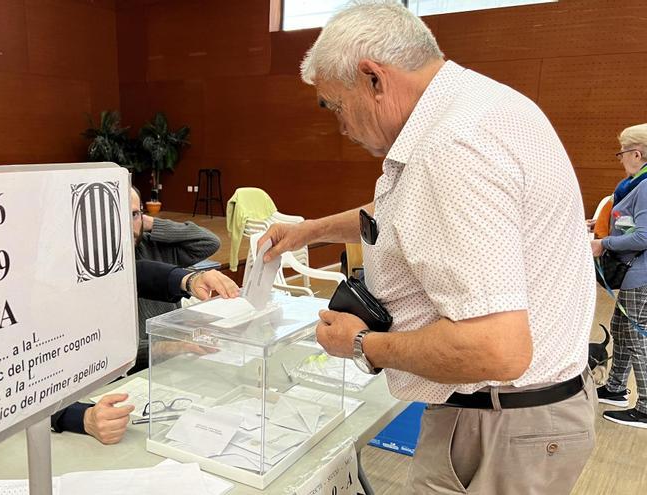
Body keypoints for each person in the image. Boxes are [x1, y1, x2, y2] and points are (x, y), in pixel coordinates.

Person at [259, 2, 595, 493]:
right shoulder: (481, 106)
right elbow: (407, 216)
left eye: (335, 104)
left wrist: (359, 343)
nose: (341, 126)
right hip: (526, 416)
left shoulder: (453, 147)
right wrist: (309, 231)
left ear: (374, 78)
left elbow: (496, 349)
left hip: (501, 427)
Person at [51, 260, 238, 444]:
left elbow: (135, 273)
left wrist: (190, 280)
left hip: (116, 398)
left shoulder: (95, 264)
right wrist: (81, 417)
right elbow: (28, 391)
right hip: (64, 418)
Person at [591, 123, 647, 428]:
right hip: (633, 274)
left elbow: (643, 236)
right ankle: (614, 389)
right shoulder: (637, 184)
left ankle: (646, 407)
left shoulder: (646, 186)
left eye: (622, 153)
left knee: (637, 337)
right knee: (622, 330)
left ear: (636, 154)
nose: (621, 159)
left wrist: (604, 243)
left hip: (641, 274)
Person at [131, 186, 221, 372]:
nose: (126, 225)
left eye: (133, 214)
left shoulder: (155, 244)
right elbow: (116, 354)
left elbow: (209, 242)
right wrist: (170, 347)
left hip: (180, 358)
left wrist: (148, 223)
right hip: (143, 368)